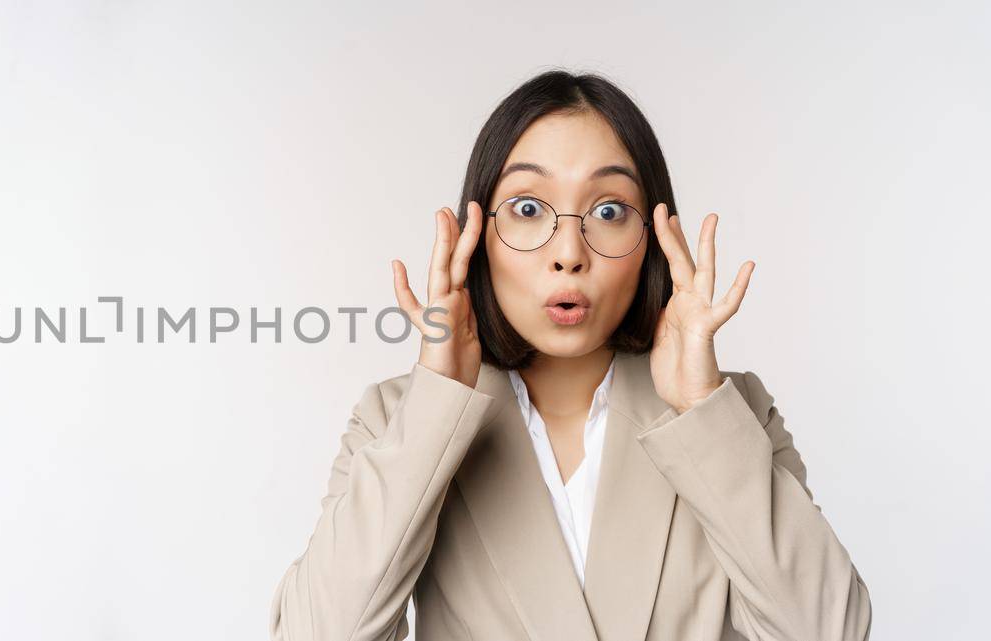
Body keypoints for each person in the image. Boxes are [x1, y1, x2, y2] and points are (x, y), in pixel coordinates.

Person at [267, 70, 872, 641]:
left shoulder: (732, 412)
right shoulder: (396, 416)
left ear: (655, 242)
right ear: (476, 237)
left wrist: (699, 407)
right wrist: (435, 403)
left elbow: (828, 629)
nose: (568, 252)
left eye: (608, 211)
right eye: (528, 209)